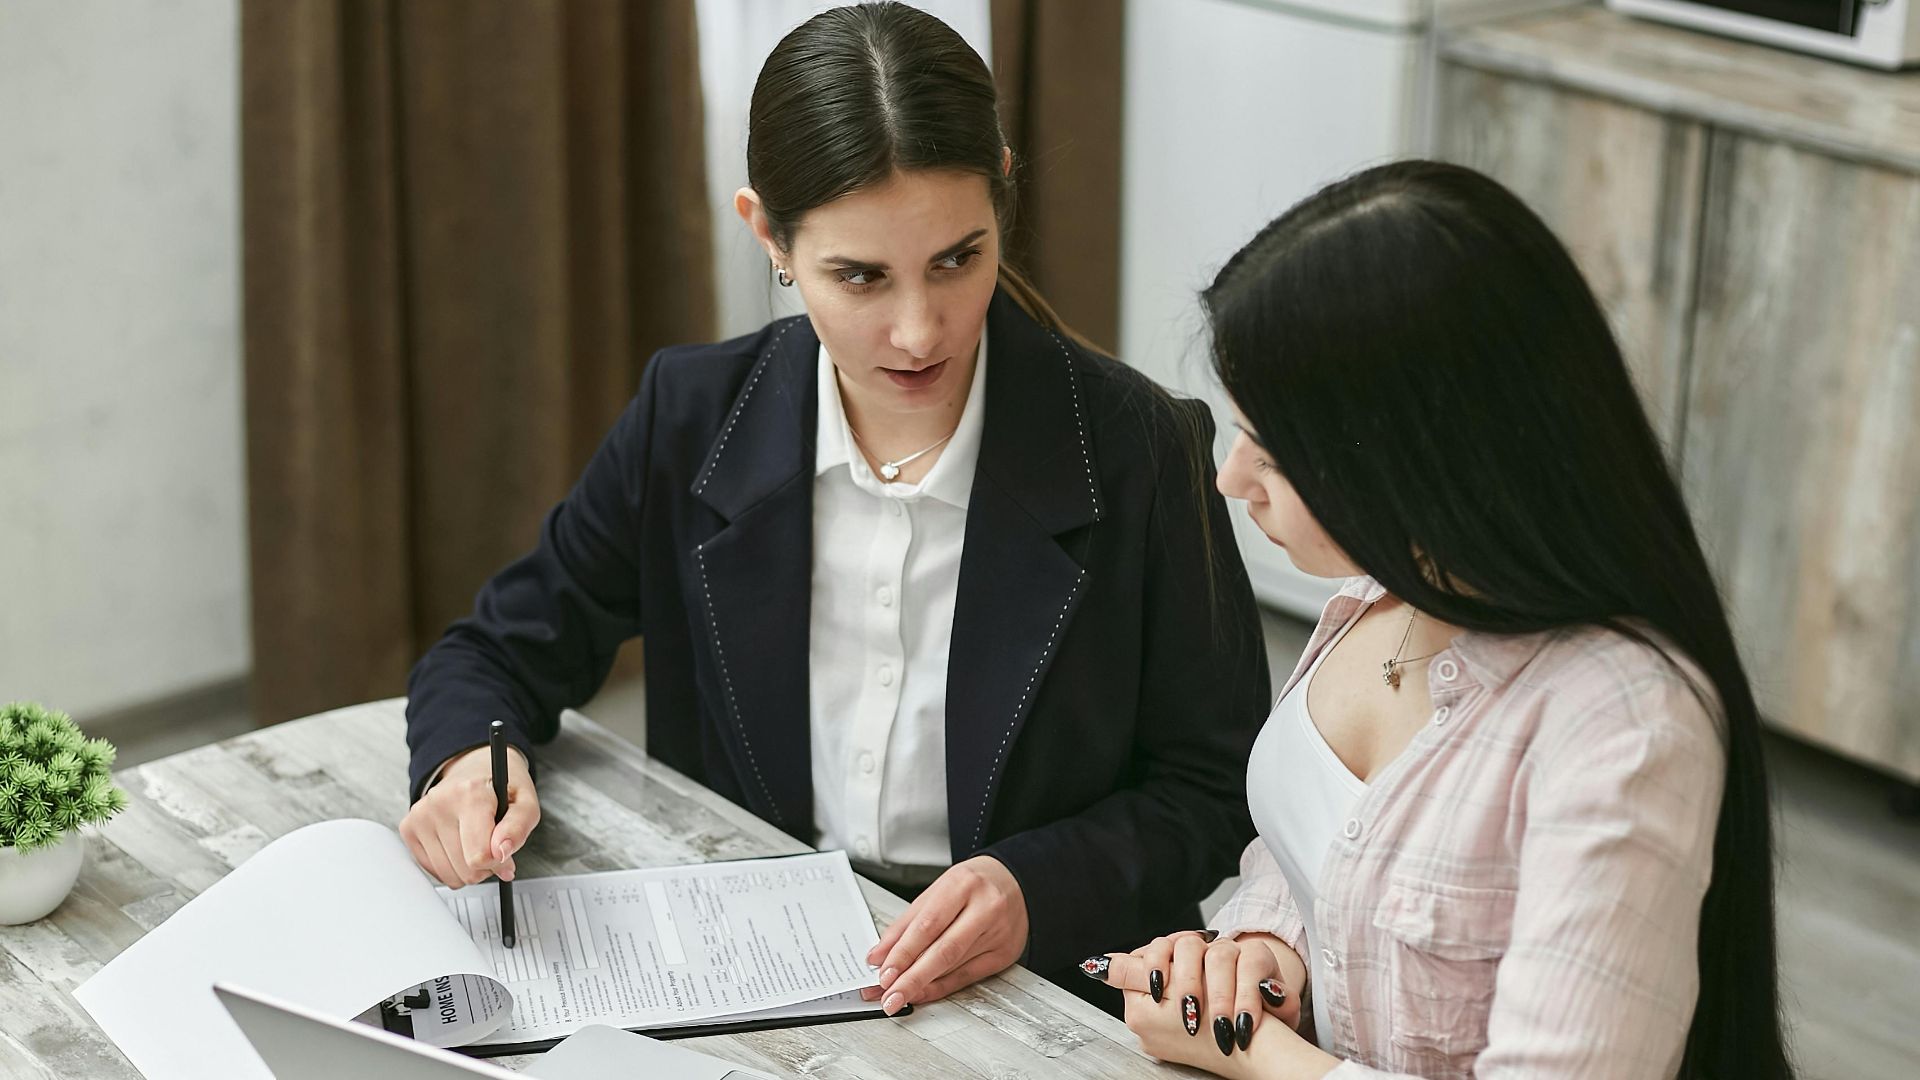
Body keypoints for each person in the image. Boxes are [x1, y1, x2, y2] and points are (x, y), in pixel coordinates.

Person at [397, 1, 1269, 1013]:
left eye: (958, 258)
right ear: (767, 233)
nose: (917, 330)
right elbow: (496, 648)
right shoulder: (691, 417)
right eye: (859, 276)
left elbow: (1215, 790)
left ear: (1004, 192)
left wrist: (1035, 885)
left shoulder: (1135, 448)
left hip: (1040, 987)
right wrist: (466, 767)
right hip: (749, 965)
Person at [1089, 161, 1793, 1078]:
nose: (1230, 478)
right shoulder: (1382, 588)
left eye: (1272, 444)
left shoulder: (1622, 722)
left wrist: (1260, 1058)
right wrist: (1263, 956)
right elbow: (1314, 860)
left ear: (1414, 452)